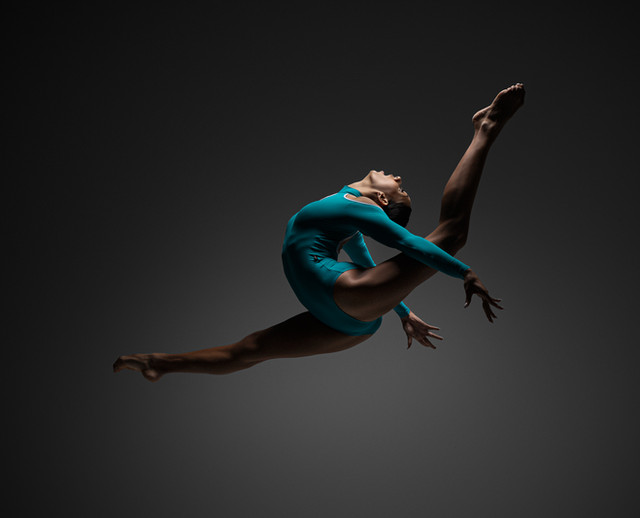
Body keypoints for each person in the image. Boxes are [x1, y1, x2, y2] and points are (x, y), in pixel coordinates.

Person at [113, 83, 525, 381]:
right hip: (342, 317)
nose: (398, 178)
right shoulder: (347, 218)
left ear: (382, 200)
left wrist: (463, 272)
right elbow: (366, 261)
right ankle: (159, 363)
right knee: (250, 348)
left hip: (344, 298)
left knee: (451, 234)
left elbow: (406, 243)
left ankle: (485, 128)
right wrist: (403, 313)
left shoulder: (360, 210)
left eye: (399, 188)